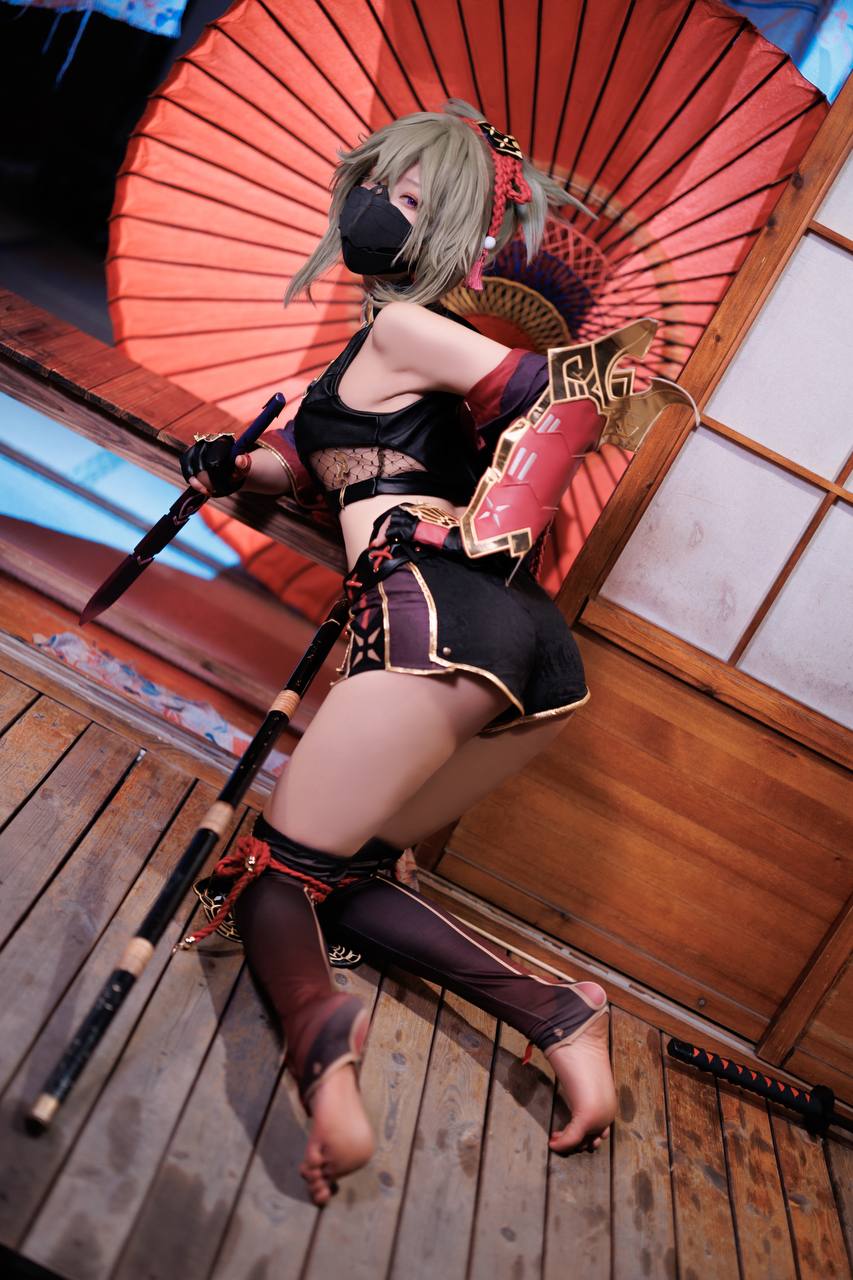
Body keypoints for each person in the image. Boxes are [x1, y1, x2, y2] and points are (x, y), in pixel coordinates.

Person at [180, 100, 684, 1207]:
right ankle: (559, 1012)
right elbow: (330, 466)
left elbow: (560, 397)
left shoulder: (409, 329)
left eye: (410, 199)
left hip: (441, 616)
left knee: (271, 877)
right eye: (377, 184)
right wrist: (243, 466)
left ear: (450, 232)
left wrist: (487, 501)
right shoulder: (385, 345)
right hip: (528, 655)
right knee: (345, 873)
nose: (376, 207)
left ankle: (326, 1062)